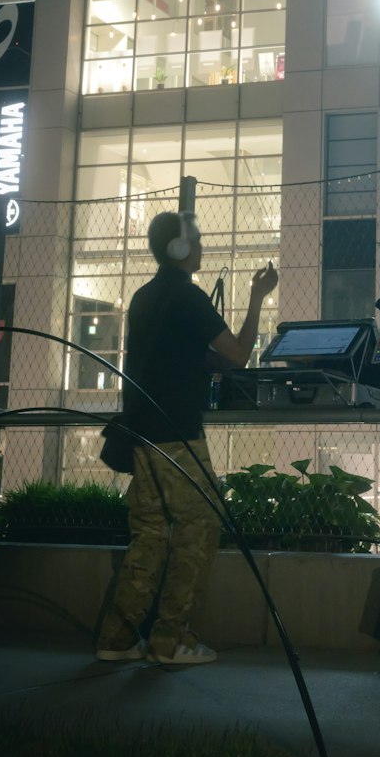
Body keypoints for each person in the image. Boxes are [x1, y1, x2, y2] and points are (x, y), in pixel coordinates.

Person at [96, 210, 278, 666]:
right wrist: (257, 297)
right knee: (198, 529)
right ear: (179, 249)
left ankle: (117, 638)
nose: (201, 248)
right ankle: (171, 640)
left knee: (150, 533)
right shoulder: (189, 297)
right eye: (196, 241)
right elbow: (236, 355)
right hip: (177, 435)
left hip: (141, 434)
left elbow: (174, 356)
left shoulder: (142, 297)